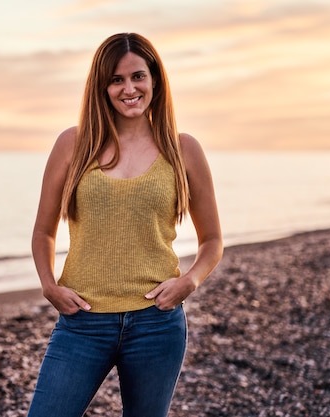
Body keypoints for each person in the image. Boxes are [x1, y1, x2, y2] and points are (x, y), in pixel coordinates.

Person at [26, 33, 223, 417]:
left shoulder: (183, 149)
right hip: (82, 323)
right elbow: (43, 231)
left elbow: (212, 239)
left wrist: (189, 281)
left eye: (138, 76)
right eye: (116, 79)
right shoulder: (74, 143)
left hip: (157, 324)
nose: (128, 88)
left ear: (155, 81)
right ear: (102, 87)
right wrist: (49, 286)